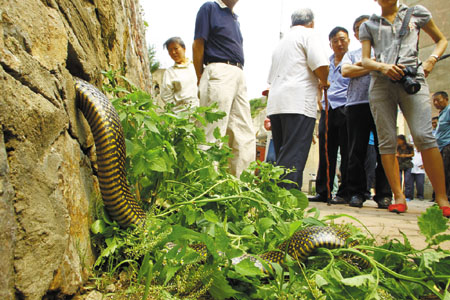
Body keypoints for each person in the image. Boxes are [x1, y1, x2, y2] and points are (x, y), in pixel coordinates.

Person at [360, 0, 450, 216]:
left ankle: (442, 197)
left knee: (423, 135)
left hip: (412, 77)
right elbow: (364, 60)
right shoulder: (369, 25)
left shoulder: (416, 13)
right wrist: (383, 66)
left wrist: (431, 60)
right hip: (381, 82)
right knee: (386, 139)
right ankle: (398, 196)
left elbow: (441, 40)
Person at [266, 8, 329, 190]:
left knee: (283, 155)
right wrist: (324, 81)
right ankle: (286, 203)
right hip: (297, 103)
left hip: (277, 104)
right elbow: (321, 66)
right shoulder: (308, 34)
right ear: (312, 23)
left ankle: (279, 198)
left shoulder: (282, 42)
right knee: (293, 157)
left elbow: (271, 78)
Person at [193, 0, 255, 178]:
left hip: (238, 73)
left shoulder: (234, 18)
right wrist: (199, 76)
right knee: (211, 131)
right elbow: (198, 44)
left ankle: (240, 187)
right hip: (218, 68)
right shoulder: (210, 8)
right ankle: (205, 183)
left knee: (243, 134)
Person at [341, 15, 392, 208]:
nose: (361, 30)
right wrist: (372, 64)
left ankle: (384, 194)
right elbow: (346, 72)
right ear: (356, 34)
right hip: (356, 105)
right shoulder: (352, 54)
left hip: (382, 104)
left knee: (384, 150)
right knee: (356, 151)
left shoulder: (385, 51)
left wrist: (362, 66)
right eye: (357, 28)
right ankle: (357, 193)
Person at [309, 27, 350, 203]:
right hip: (328, 108)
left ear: (348, 40)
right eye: (335, 40)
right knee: (326, 151)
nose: (339, 43)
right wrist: (320, 101)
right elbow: (319, 84)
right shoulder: (326, 63)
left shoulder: (353, 59)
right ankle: (323, 191)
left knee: (348, 152)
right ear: (330, 44)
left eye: (342, 39)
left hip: (346, 107)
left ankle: (345, 192)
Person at [160, 37, 199, 113]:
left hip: (199, 109)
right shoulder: (170, 72)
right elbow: (165, 94)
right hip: (181, 112)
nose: (173, 52)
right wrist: (176, 107)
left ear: (184, 49)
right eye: (170, 50)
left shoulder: (195, 66)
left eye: (176, 48)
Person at [433, 91, 450, 201]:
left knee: (446, 172)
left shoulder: (449, 110)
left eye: (438, 100)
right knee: (441, 172)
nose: (435, 103)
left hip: (448, 145)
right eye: (434, 101)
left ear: (446, 99)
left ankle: (446, 196)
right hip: (441, 146)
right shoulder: (442, 113)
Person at [396, 135, 414, 201]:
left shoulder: (409, 146)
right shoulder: (397, 147)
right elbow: (396, 153)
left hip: (407, 164)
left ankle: (408, 195)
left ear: (403, 140)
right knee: (399, 179)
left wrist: (405, 155)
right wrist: (397, 155)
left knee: (407, 180)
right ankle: (399, 194)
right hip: (399, 164)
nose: (398, 142)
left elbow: (412, 154)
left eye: (399, 140)